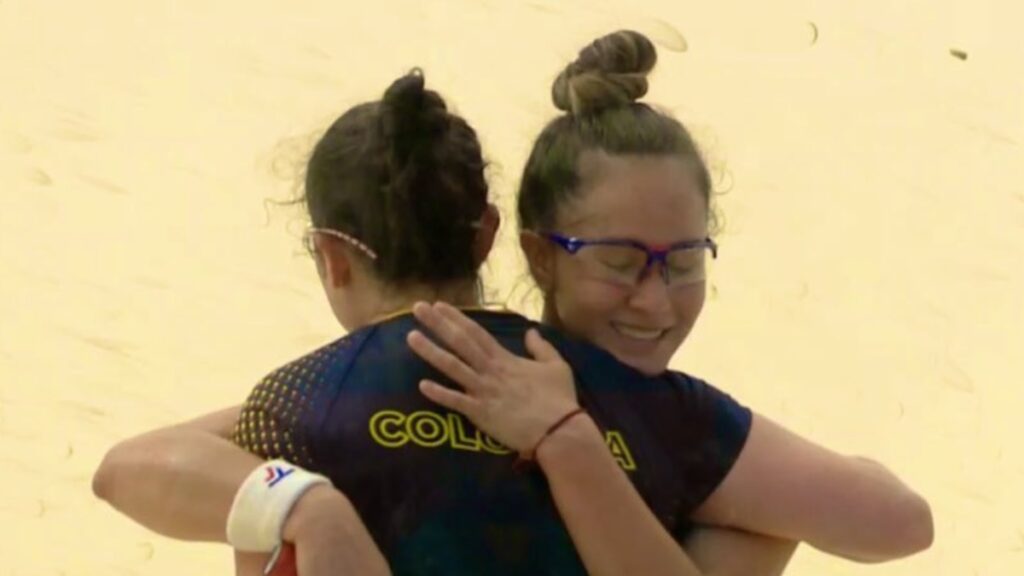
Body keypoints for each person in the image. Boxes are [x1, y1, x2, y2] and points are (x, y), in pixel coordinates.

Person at [93, 31, 932, 576]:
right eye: (619, 261)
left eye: (677, 263)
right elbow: (895, 521)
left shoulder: (305, 405)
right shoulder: (662, 417)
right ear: (497, 238)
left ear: (332, 256)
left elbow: (127, 467)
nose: (653, 298)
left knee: (260, 527)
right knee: (757, 529)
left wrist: (304, 504)